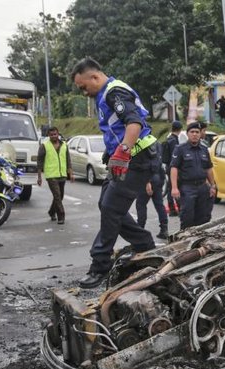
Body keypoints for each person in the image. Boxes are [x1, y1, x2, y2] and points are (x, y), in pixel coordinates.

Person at [71, 57, 160, 289]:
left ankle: (100, 265)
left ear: (94, 77)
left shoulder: (114, 92)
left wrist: (122, 152)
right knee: (107, 205)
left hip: (137, 159)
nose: (83, 92)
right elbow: (117, 129)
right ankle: (144, 244)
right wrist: (112, 154)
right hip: (128, 158)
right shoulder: (104, 96)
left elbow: (134, 123)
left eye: (83, 87)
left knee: (111, 207)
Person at [169, 121, 216, 229]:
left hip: (202, 187)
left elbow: (208, 168)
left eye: (197, 132)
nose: (194, 134)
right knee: (187, 217)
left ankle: (199, 242)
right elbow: (174, 168)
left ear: (200, 134)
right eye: (192, 132)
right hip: (187, 188)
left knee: (203, 217)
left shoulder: (204, 149)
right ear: (187, 134)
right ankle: (184, 240)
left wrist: (213, 185)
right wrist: (174, 188)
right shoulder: (180, 149)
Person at [37, 126, 74, 224]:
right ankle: (61, 216)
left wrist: (71, 173)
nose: (54, 136)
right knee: (57, 196)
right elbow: (39, 162)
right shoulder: (44, 146)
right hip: (51, 175)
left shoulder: (64, 145)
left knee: (60, 196)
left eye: (55, 134)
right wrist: (39, 176)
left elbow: (68, 159)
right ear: (48, 135)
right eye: (51, 135)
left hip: (62, 174)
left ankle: (51, 211)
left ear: (58, 134)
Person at [136, 163, 169, 239]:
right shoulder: (156, 151)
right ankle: (164, 229)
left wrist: (147, 182)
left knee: (141, 205)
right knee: (159, 205)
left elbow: (143, 166)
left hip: (148, 179)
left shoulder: (143, 151)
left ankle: (140, 230)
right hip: (158, 178)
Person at [163, 121, 183, 216]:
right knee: (176, 187)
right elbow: (175, 155)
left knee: (170, 187)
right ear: (180, 129)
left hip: (168, 166)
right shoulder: (174, 140)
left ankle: (172, 209)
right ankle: (178, 208)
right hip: (173, 167)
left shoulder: (169, 139)